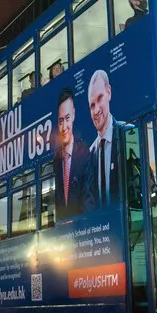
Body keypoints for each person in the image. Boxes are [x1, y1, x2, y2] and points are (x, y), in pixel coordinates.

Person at [86, 70, 125, 208]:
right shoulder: (89, 155)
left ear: (109, 92)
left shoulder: (127, 134)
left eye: (100, 98)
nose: (96, 111)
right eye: (92, 105)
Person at [53, 88, 89, 221]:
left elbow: (88, 200)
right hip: (64, 235)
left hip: (83, 231)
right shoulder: (56, 160)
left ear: (73, 115)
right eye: (61, 121)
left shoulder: (84, 153)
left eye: (67, 118)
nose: (64, 127)